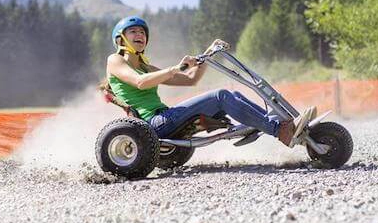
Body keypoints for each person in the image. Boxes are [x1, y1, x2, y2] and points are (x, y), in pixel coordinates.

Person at [104, 16, 316, 147]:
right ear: (121, 39)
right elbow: (140, 83)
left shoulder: (146, 66)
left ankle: (282, 125)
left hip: (164, 118)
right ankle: (280, 131)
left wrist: (207, 54)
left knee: (234, 96)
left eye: (142, 32)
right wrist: (175, 68)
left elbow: (191, 80)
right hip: (152, 124)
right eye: (133, 31)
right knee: (221, 96)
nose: (139, 34)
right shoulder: (115, 60)